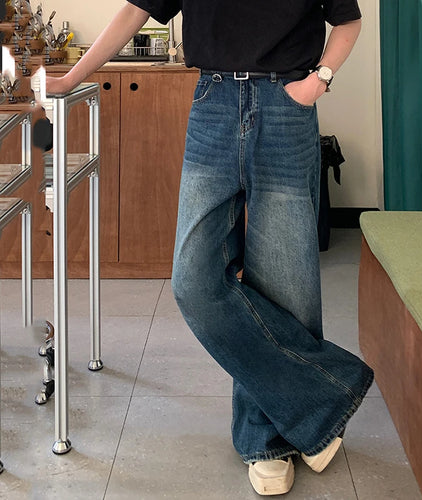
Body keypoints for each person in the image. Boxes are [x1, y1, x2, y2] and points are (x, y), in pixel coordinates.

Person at [46, 1, 374, 496]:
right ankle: (321, 398)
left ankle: (270, 440)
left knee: (286, 285)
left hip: (287, 106)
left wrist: (319, 81)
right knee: (194, 281)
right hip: (213, 103)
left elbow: (348, 20)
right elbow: (136, 9)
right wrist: (73, 78)